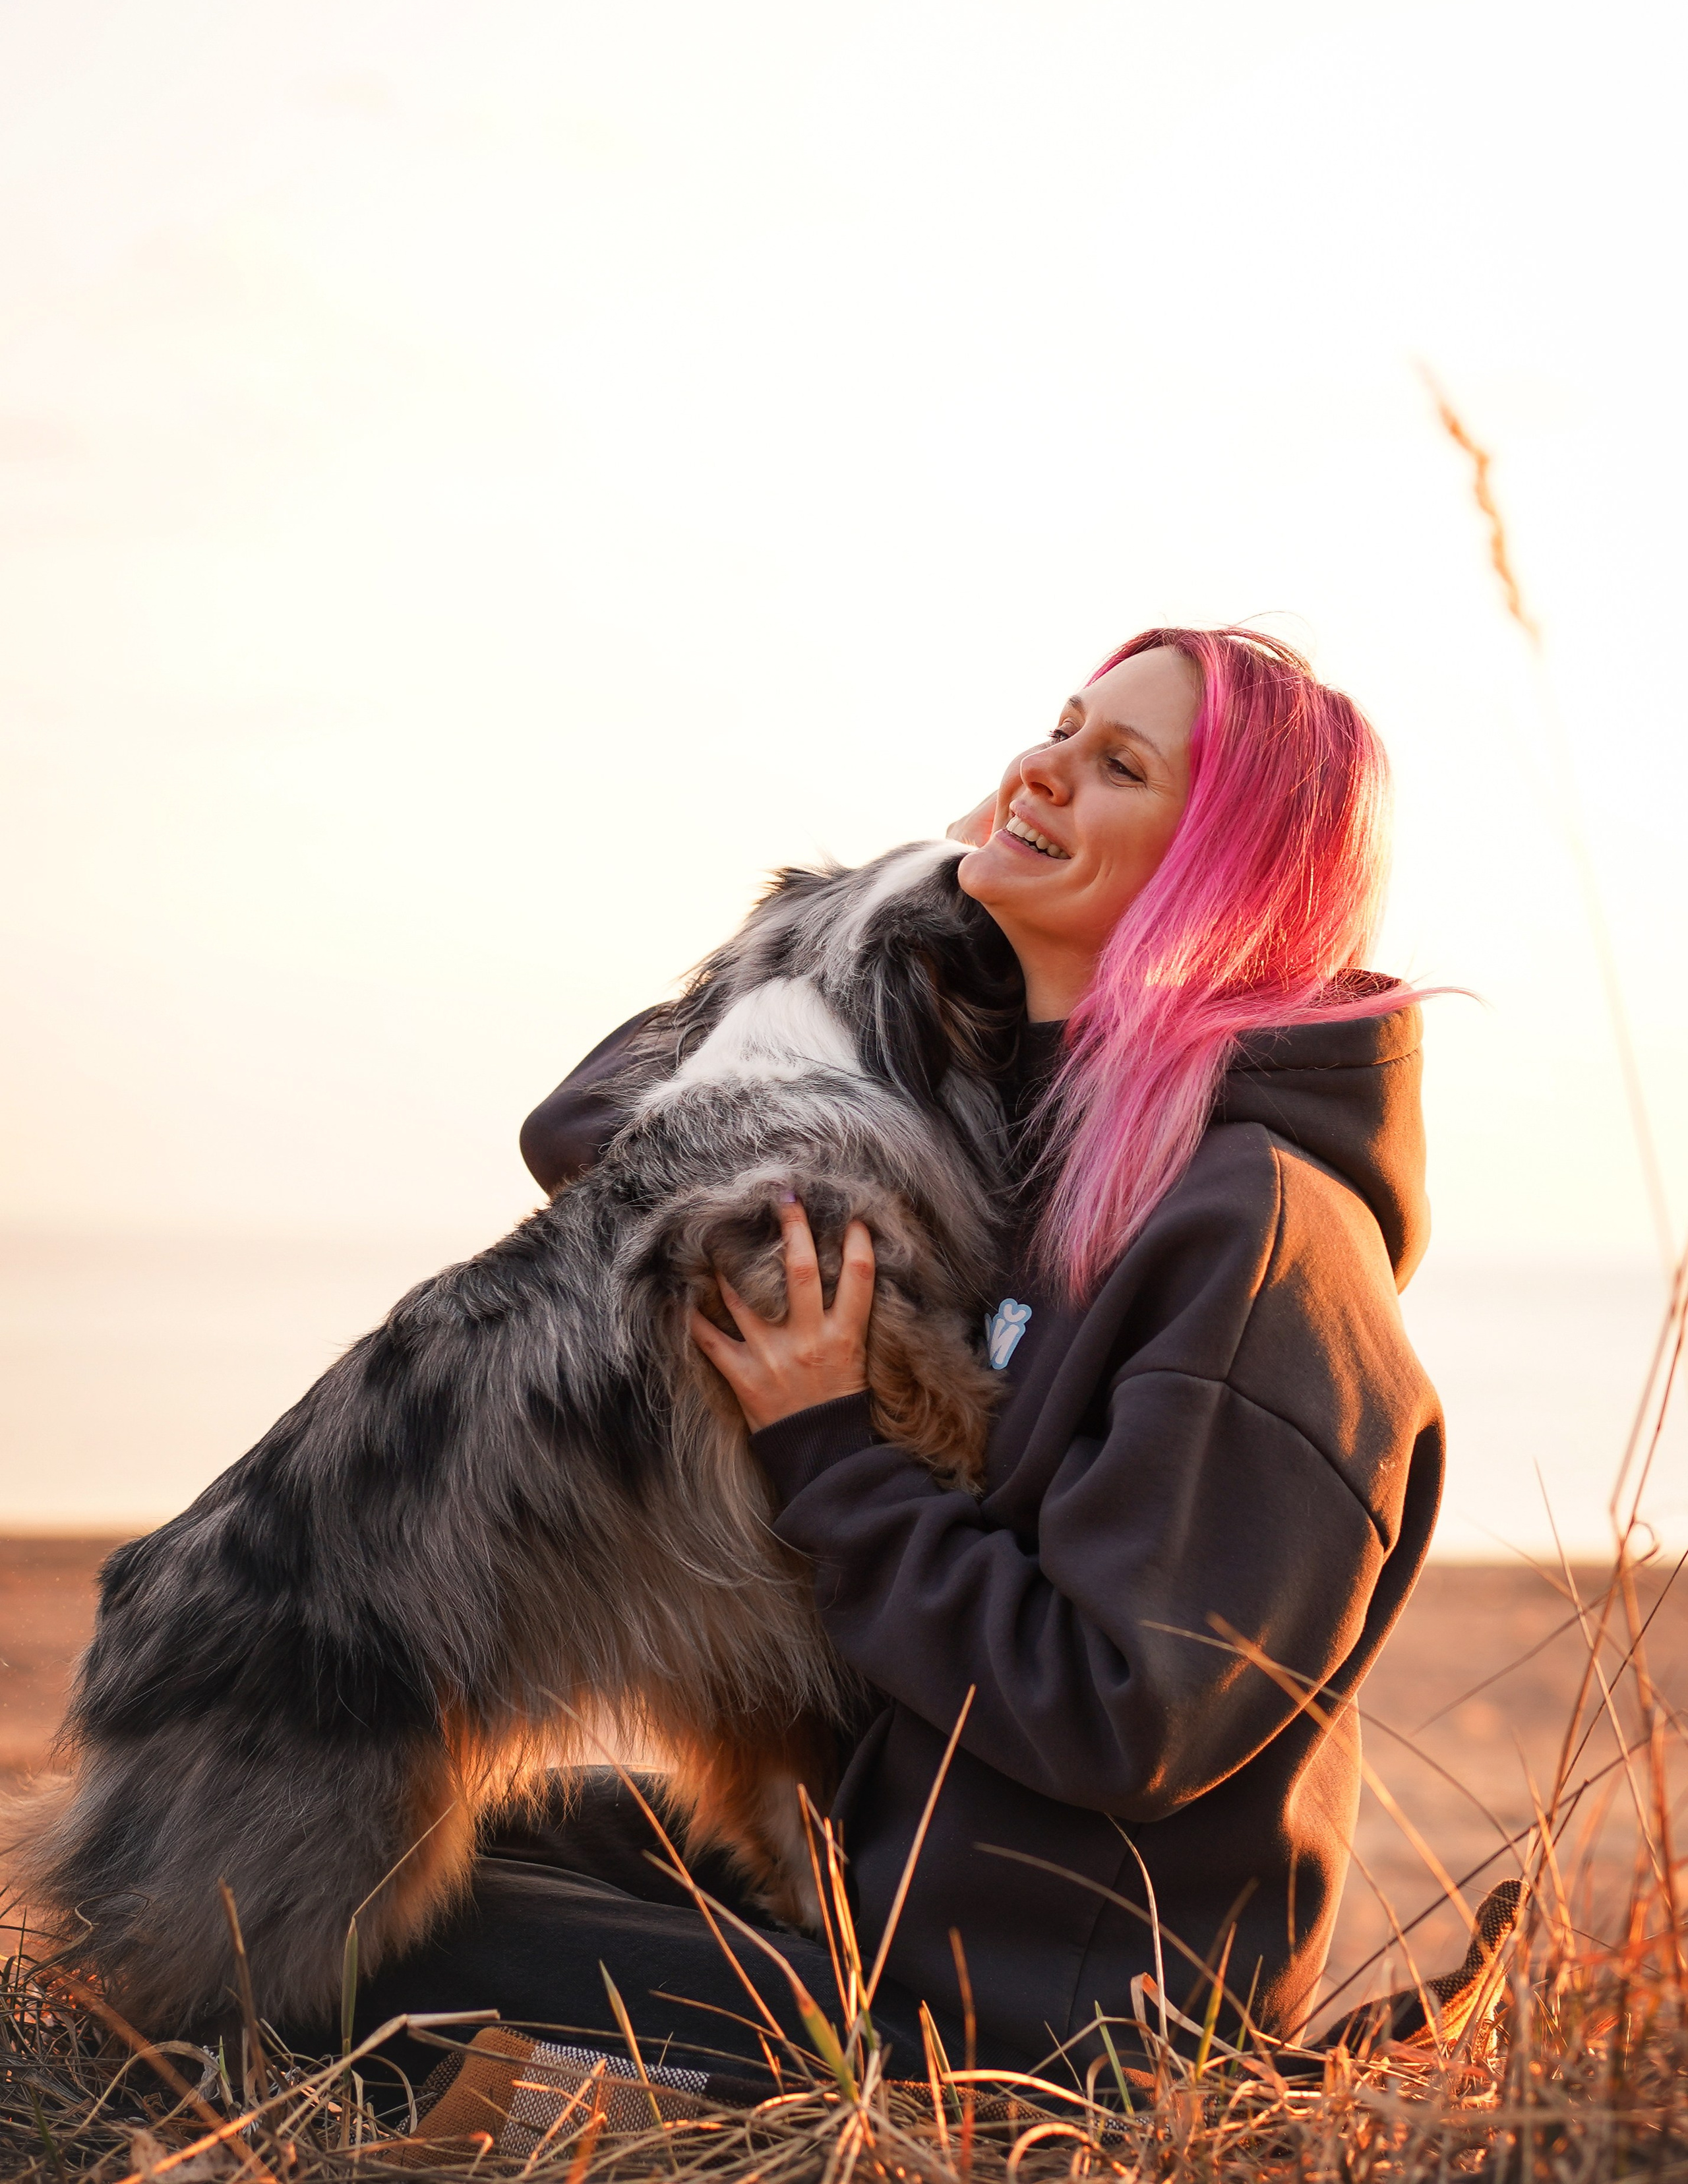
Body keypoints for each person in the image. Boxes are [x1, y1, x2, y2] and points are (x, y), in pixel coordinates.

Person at [346, 626, 1441, 2097]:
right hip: (883, 1875)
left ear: (1216, 880)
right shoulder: (1018, 1133)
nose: (1036, 766)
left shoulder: (1254, 1239)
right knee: (377, 1843)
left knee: (337, 1948)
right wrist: (880, 905)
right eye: (1055, 728)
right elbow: (580, 1130)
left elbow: (1120, 1710)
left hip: (1035, 2016)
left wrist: (830, 1447)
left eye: (1115, 764)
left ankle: (668, 2100)